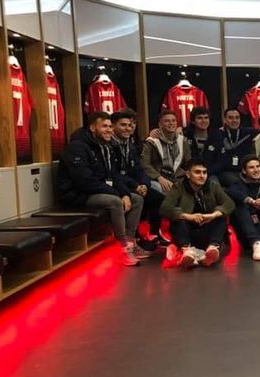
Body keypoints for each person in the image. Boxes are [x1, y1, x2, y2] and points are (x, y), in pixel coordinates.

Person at [56, 111, 148, 266]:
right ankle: (123, 247)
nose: (109, 130)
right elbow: (85, 181)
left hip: (94, 190)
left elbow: (112, 175)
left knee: (137, 199)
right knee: (114, 201)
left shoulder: (103, 147)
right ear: (93, 128)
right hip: (77, 194)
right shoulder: (77, 147)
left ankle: (131, 241)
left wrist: (125, 192)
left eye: (110, 126)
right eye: (104, 126)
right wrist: (117, 194)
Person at [159, 159, 234, 269]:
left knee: (220, 217)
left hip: (207, 231)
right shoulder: (178, 187)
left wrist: (213, 214)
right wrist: (187, 216)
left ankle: (212, 248)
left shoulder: (213, 186)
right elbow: (165, 208)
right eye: (197, 172)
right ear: (188, 174)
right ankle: (187, 251)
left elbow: (229, 203)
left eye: (204, 172)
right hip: (186, 232)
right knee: (177, 219)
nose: (202, 176)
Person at [110, 109, 165, 249]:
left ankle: (153, 233)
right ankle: (133, 238)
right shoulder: (109, 145)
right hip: (116, 185)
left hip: (132, 183)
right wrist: (135, 186)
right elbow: (114, 174)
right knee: (137, 198)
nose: (128, 128)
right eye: (123, 125)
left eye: (130, 125)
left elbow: (140, 169)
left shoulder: (130, 145)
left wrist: (145, 184)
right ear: (113, 125)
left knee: (157, 197)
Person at [141, 110, 191, 194]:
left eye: (173, 120)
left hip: (179, 178)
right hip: (159, 179)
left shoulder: (183, 141)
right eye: (167, 121)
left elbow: (189, 163)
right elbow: (145, 164)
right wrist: (158, 177)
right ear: (160, 124)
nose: (171, 123)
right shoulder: (151, 141)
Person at [210, 108, 257, 187]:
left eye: (237, 117)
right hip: (225, 171)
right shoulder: (217, 135)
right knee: (236, 182)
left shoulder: (248, 133)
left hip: (243, 170)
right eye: (230, 118)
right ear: (225, 119)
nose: (234, 120)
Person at [184, 107, 218, 174]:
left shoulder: (216, 136)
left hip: (210, 173)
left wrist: (206, 172)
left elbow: (221, 161)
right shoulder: (185, 135)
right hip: (190, 174)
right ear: (193, 121)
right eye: (200, 118)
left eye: (206, 118)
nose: (203, 121)